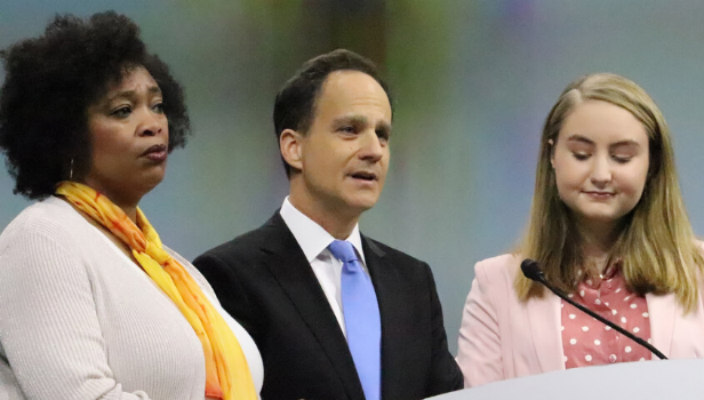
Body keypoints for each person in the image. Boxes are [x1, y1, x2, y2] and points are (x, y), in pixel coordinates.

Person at [0, 12, 262, 399]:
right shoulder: (42, 239)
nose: (153, 123)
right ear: (66, 134)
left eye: (157, 106)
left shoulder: (173, 268)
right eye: (123, 110)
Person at [193, 49, 462, 400]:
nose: (374, 151)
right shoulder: (228, 276)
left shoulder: (413, 282)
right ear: (293, 148)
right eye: (350, 130)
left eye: (382, 135)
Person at [456, 72, 704, 387]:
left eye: (622, 158)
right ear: (552, 155)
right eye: (582, 155)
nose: (601, 174)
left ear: (652, 164)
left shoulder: (699, 271)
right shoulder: (496, 286)